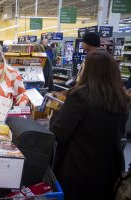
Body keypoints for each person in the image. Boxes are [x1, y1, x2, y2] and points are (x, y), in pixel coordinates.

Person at [50, 51, 129, 200]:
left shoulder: (80, 96)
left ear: (89, 71)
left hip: (79, 168)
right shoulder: (121, 98)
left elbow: (59, 132)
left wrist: (54, 116)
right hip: (109, 169)